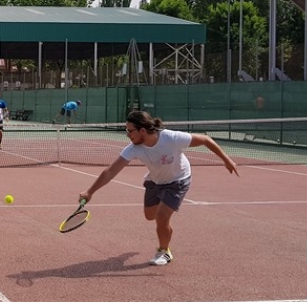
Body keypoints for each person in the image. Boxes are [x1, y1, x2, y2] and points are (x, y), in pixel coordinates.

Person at [78, 110, 239, 266]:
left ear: (142, 130)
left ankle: (164, 251)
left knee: (162, 217)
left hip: (178, 179)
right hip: (155, 180)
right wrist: (90, 191)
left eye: (129, 130)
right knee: (150, 216)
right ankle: (164, 225)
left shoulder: (171, 138)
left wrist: (226, 160)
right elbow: (110, 171)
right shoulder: (134, 148)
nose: (127, 134)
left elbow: (205, 139)